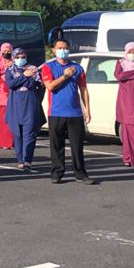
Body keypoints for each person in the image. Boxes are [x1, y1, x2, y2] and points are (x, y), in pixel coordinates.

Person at [40, 39, 95, 185]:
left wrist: (87, 110)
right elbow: (50, 86)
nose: (62, 50)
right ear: (54, 50)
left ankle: (80, 173)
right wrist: (65, 76)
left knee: (77, 145)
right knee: (57, 145)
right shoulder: (48, 67)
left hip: (75, 113)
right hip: (56, 112)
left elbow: (83, 89)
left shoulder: (77, 68)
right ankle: (57, 172)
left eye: (65, 48)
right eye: (59, 48)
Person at [4, 47, 46, 172]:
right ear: (13, 57)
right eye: (17, 57)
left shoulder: (33, 69)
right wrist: (24, 76)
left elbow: (37, 85)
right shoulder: (10, 70)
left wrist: (23, 81)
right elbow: (11, 84)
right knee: (17, 133)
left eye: (23, 57)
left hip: (31, 104)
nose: (20, 59)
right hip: (15, 105)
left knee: (30, 134)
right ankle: (20, 160)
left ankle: (27, 160)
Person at [0, 42, 15, 150]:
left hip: (13, 91)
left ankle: (12, 142)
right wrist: (5, 68)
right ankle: (4, 142)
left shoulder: (15, 61)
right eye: (4, 51)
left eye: (8, 51)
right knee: (3, 119)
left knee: (12, 118)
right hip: (1, 93)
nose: (6, 53)